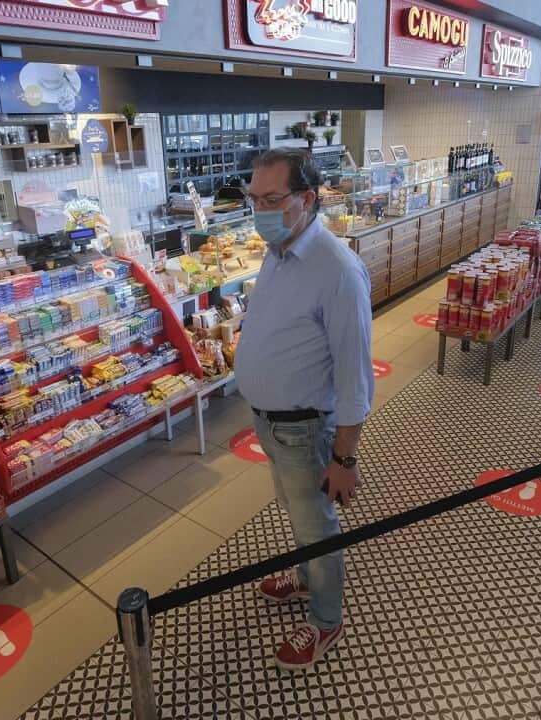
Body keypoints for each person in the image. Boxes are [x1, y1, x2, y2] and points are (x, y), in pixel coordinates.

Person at [233, 148, 374, 672]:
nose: (260, 210)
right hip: (268, 421)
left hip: (304, 428)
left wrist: (345, 459)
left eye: (272, 199)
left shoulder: (336, 269)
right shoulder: (278, 248)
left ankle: (325, 618)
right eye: (254, 199)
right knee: (297, 513)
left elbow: (355, 377)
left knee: (316, 522)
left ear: (307, 199)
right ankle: (304, 575)